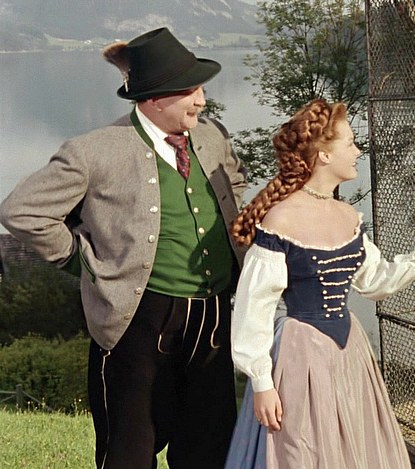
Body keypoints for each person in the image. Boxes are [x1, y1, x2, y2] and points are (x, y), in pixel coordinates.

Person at [0, 28, 247, 469]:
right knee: (129, 451)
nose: (201, 101)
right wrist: (82, 262)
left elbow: (236, 184)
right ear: (154, 98)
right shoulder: (93, 151)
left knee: (210, 448)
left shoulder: (212, 136)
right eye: (190, 91)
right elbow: (22, 211)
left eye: (200, 89)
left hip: (212, 316)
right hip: (136, 319)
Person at [224, 98, 415, 468]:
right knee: (303, 449)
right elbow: (254, 310)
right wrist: (262, 383)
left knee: (354, 447)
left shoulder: (348, 216)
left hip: (350, 353)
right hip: (300, 355)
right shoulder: (280, 220)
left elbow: (374, 282)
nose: (358, 150)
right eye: (350, 143)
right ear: (324, 155)